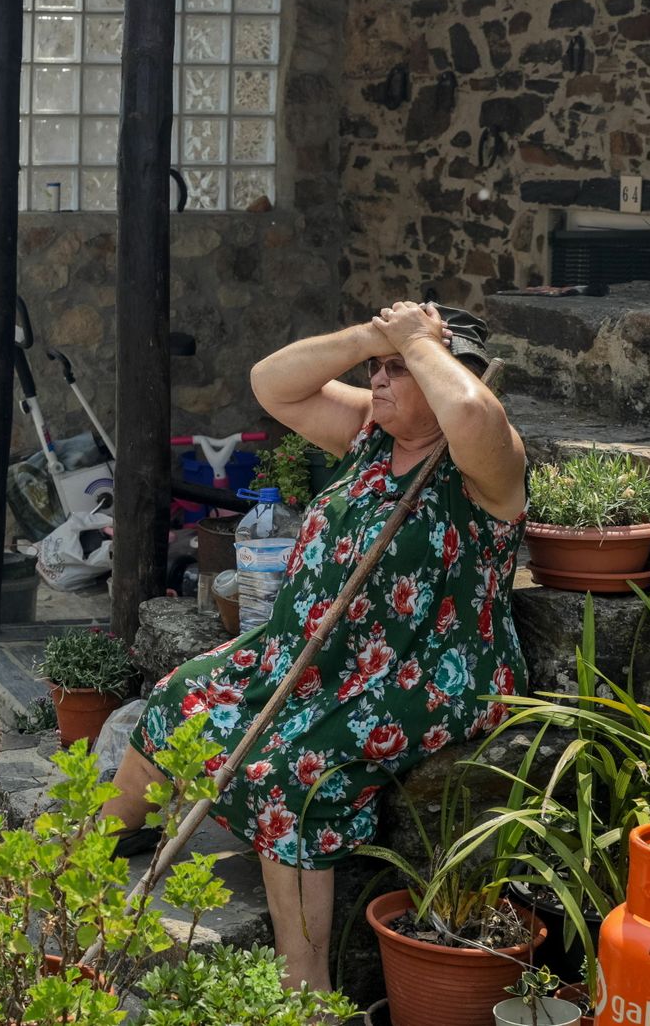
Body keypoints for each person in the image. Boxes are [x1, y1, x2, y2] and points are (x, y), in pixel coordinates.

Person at [100, 301, 528, 993]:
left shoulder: (483, 464)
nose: (380, 379)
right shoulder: (369, 435)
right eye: (375, 370)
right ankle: (100, 843)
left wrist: (420, 343)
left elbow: (473, 415)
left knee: (288, 771)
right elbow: (273, 383)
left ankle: (306, 991)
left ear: (449, 371)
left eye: (400, 369)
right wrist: (374, 336)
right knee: (184, 691)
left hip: (416, 676)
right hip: (312, 653)